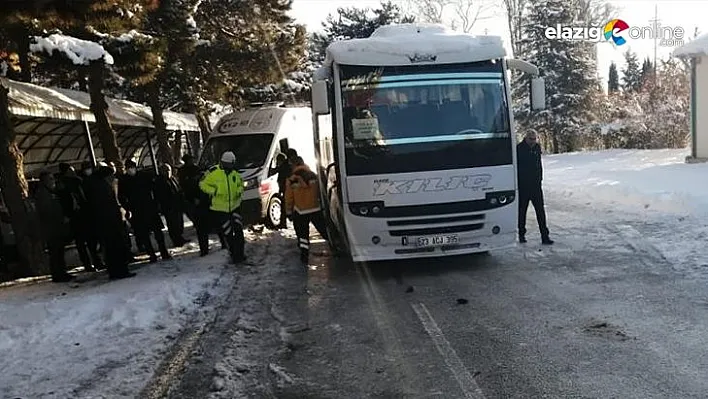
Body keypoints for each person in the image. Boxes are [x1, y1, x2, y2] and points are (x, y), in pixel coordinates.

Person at [118, 160, 171, 263]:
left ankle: (163, 251)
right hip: (137, 210)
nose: (130, 169)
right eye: (128, 167)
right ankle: (151, 254)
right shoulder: (124, 180)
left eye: (132, 167)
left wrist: (156, 202)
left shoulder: (144, 176)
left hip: (149, 207)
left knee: (157, 232)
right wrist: (127, 208)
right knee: (144, 234)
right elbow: (122, 196)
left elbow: (155, 188)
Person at [199, 151, 246, 264]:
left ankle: (240, 254)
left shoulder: (235, 173)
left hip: (235, 207)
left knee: (239, 232)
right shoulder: (213, 173)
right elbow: (202, 184)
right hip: (221, 210)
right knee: (228, 233)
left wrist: (239, 191)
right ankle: (234, 255)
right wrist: (214, 191)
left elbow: (241, 184)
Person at [57, 163, 104, 271]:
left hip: (81, 215)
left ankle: (93, 262)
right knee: (85, 241)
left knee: (86, 241)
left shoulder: (73, 182)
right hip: (78, 216)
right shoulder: (69, 183)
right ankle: (93, 262)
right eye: (71, 169)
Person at [93, 164, 136, 279]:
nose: (113, 177)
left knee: (113, 248)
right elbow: (111, 205)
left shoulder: (102, 186)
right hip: (111, 223)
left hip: (110, 222)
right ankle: (120, 271)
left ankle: (116, 271)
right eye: (112, 175)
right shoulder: (103, 188)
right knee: (116, 247)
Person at [285, 156, 328, 264]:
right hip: (315, 208)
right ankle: (335, 247)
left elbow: (289, 198)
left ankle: (304, 255)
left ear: (294, 165)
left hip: (300, 211)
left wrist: (289, 212)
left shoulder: (291, 180)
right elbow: (320, 191)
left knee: (303, 235)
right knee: (324, 230)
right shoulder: (313, 175)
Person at [34, 170, 74, 282]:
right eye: (50, 179)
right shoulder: (43, 194)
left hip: (57, 227)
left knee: (59, 251)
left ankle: (62, 272)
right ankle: (58, 274)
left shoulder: (52, 192)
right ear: (44, 181)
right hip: (52, 228)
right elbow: (46, 211)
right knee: (55, 252)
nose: (53, 181)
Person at [516, 131, 553, 245]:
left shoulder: (537, 148)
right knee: (522, 211)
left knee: (540, 211)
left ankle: (544, 236)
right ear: (526, 138)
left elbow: (539, 164)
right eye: (530, 139)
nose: (533, 141)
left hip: (536, 186)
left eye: (534, 139)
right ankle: (521, 234)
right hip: (523, 186)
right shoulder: (519, 149)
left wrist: (540, 178)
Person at [154, 163, 188, 247]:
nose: (168, 172)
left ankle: (180, 237)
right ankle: (176, 240)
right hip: (169, 207)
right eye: (165, 170)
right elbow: (160, 196)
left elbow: (178, 189)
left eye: (169, 170)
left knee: (179, 223)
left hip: (177, 205)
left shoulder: (172, 179)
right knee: (173, 225)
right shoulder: (160, 181)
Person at [274, 153, 291, 229]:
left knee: (284, 207)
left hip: (286, 189)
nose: (277, 163)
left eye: (278, 161)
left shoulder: (283, 167)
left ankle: (283, 224)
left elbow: (281, 179)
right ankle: (283, 223)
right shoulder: (286, 166)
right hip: (286, 189)